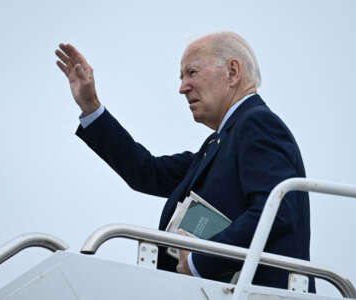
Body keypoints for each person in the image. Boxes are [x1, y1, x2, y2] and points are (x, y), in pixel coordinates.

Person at [55, 31, 315, 291]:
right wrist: (91, 107)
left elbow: (277, 212)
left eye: (192, 72)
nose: (182, 88)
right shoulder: (219, 144)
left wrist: (198, 261)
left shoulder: (257, 124)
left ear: (233, 72)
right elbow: (147, 171)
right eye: (182, 77)